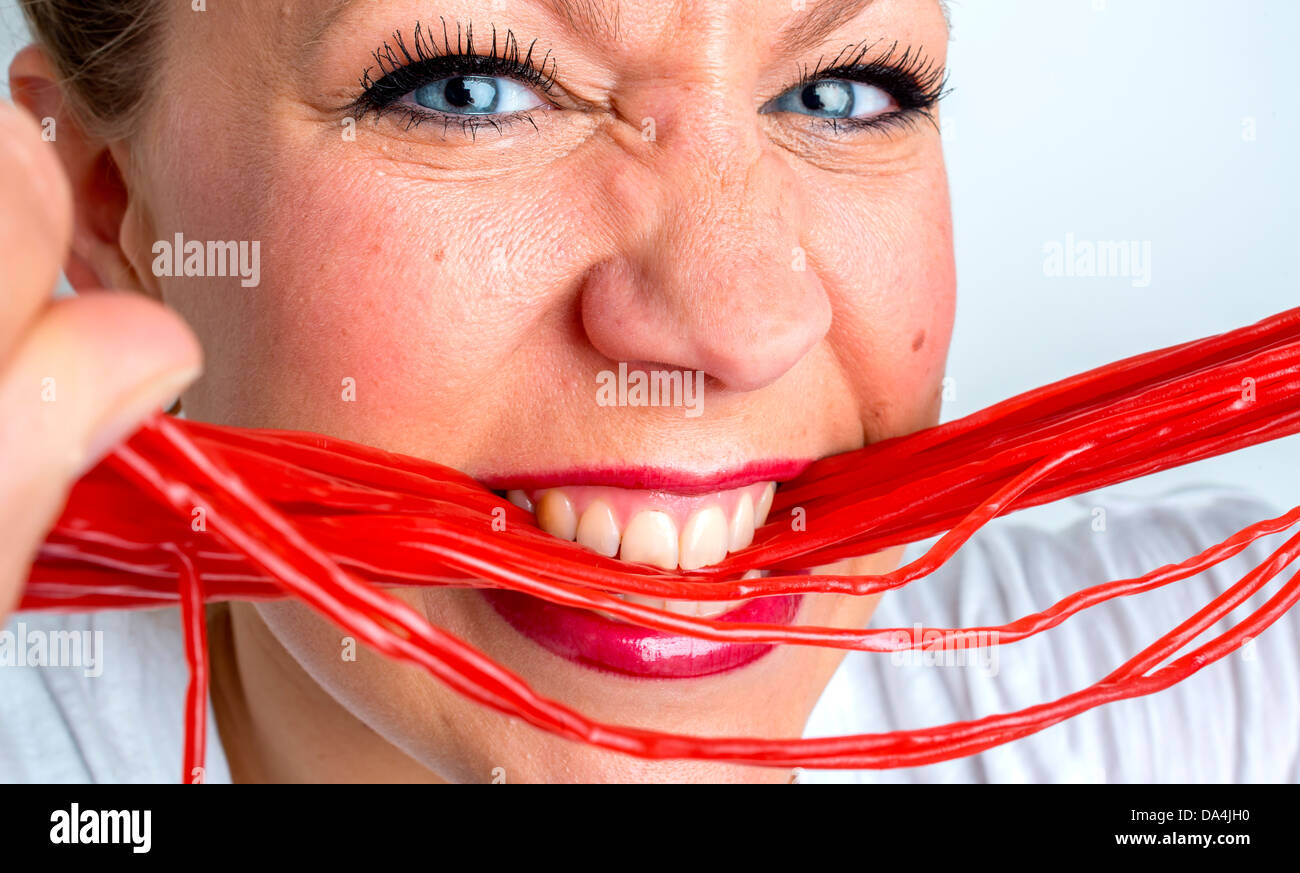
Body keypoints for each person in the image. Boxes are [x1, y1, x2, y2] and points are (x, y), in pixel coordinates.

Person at [0, 0, 1295, 783]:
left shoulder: (1224, 697)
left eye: (850, 90)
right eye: (468, 86)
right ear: (112, 204)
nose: (737, 320)